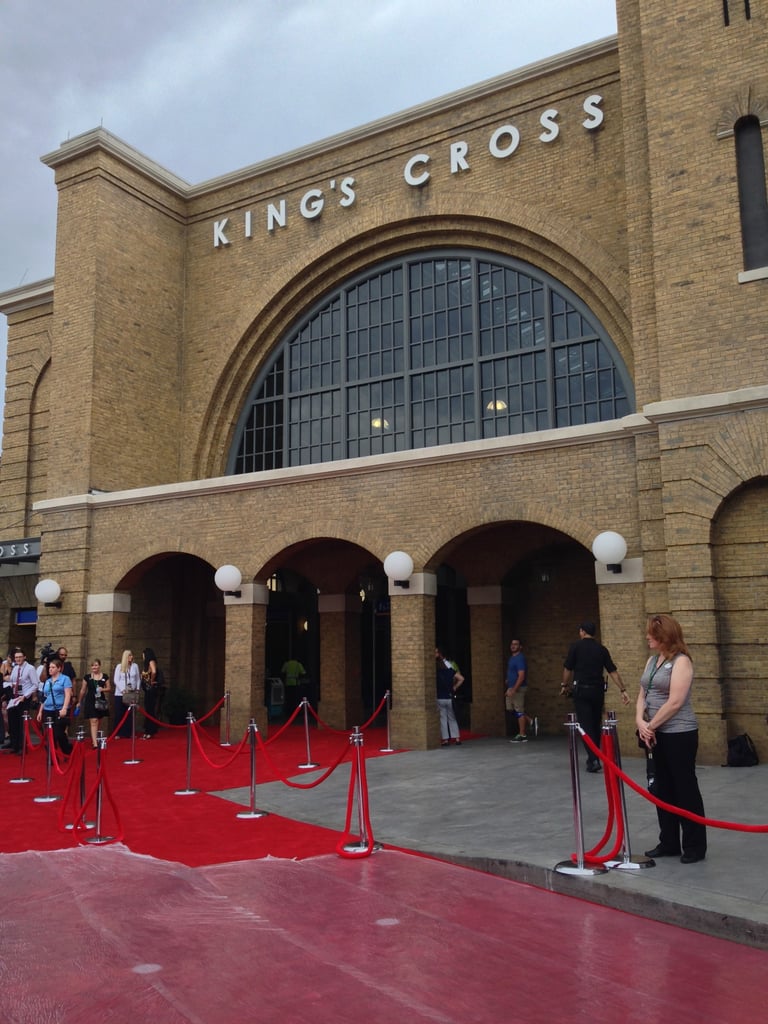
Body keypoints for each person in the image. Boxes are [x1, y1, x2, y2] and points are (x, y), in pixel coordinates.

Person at [637, 613, 707, 864]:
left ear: (664, 636)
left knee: (684, 787)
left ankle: (694, 846)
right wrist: (640, 722)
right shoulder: (652, 661)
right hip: (654, 734)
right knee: (662, 788)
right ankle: (668, 842)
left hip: (679, 733)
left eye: (652, 634)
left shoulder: (682, 662)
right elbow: (642, 694)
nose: (647, 637)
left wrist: (651, 726)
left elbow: (676, 701)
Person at [562, 621, 629, 773]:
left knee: (585, 725)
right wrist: (623, 689)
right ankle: (595, 756)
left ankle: (593, 759)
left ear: (582, 632)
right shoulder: (602, 649)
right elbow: (612, 671)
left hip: (581, 691)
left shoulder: (575, 647)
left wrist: (564, 685)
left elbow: (567, 668)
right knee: (595, 723)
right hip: (597, 691)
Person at [6, 648, 40, 754]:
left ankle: (22, 746)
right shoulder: (15, 668)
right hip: (15, 698)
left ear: (24, 657)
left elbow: (35, 684)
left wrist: (25, 696)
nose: (18, 659)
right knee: (13, 722)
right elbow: (12, 681)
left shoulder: (30, 668)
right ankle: (14, 745)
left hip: (24, 698)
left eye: (20, 657)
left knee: (21, 723)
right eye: (16, 657)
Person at [36, 657, 73, 756]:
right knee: (49, 735)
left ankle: (67, 750)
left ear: (59, 668)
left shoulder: (65, 679)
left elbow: (68, 694)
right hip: (48, 710)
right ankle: (52, 756)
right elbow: (44, 696)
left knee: (58, 733)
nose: (50, 669)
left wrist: (65, 708)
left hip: (59, 709)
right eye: (49, 667)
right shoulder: (47, 681)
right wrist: (40, 711)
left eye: (53, 667)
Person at [78, 658, 111, 748]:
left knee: (98, 720)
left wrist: (102, 689)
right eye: (92, 665)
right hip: (90, 700)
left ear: (99, 666)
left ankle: (95, 737)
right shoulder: (87, 677)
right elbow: (83, 690)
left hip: (100, 699)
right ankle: (95, 743)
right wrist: (79, 701)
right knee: (93, 720)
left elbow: (109, 688)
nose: (94, 667)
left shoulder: (105, 676)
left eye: (96, 665)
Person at [435, 647, 464, 746]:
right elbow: (461, 678)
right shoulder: (450, 671)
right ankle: (457, 738)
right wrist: (455, 687)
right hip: (449, 697)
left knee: (443, 718)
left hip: (439, 697)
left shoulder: (436, 673)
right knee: (452, 718)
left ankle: (446, 739)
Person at [113, 650, 141, 738]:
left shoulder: (135, 666)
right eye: (129, 656)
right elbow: (116, 680)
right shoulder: (119, 666)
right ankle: (118, 733)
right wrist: (122, 690)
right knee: (119, 713)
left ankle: (129, 733)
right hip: (120, 693)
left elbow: (137, 679)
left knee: (130, 714)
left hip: (131, 692)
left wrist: (137, 688)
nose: (131, 657)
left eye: (131, 655)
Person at [505, 639, 529, 742]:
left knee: (519, 711)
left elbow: (521, 676)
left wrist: (514, 689)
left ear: (520, 647)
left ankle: (522, 735)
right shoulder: (512, 658)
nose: (513, 646)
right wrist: (508, 681)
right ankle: (530, 720)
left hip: (518, 688)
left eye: (516, 644)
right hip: (511, 687)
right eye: (512, 644)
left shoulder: (520, 658)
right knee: (510, 708)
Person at [140, 647, 164, 739]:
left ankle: (150, 730)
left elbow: (153, 671)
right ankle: (148, 730)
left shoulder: (151, 661)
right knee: (148, 709)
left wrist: (151, 680)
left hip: (150, 689)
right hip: (147, 690)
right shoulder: (146, 664)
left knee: (150, 709)